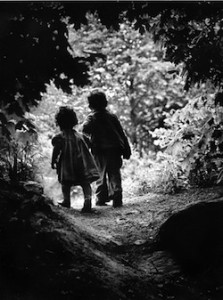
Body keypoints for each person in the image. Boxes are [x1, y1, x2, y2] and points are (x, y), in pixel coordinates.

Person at [82, 91, 131, 208]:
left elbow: (84, 129)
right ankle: (117, 195)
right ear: (106, 103)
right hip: (115, 149)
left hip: (99, 150)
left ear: (90, 106)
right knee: (114, 173)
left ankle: (101, 198)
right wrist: (126, 149)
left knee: (100, 174)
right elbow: (122, 133)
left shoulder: (91, 117)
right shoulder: (112, 117)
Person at [51, 106, 99, 213]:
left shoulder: (60, 137)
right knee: (85, 183)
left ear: (59, 122)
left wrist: (53, 160)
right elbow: (90, 144)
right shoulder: (80, 136)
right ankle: (87, 203)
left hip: (67, 165)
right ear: (74, 121)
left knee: (65, 183)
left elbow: (56, 150)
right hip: (82, 164)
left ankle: (66, 201)